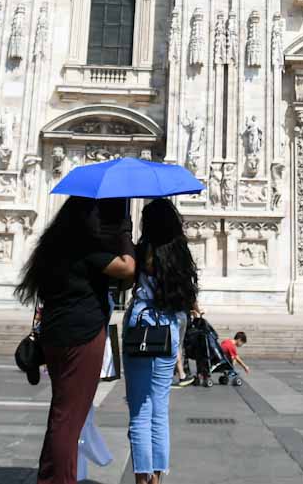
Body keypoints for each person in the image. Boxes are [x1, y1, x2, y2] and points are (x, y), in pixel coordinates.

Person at [17, 196, 134, 484]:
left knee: (61, 414)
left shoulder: (53, 248)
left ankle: (49, 478)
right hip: (80, 337)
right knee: (69, 420)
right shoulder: (85, 247)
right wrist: (124, 234)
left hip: (55, 336)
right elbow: (128, 269)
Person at [123, 198, 198, 484]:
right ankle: (157, 476)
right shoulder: (180, 256)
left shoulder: (140, 252)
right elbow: (186, 299)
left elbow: (124, 281)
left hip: (142, 327)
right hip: (168, 330)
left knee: (140, 410)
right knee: (160, 409)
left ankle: (143, 480)